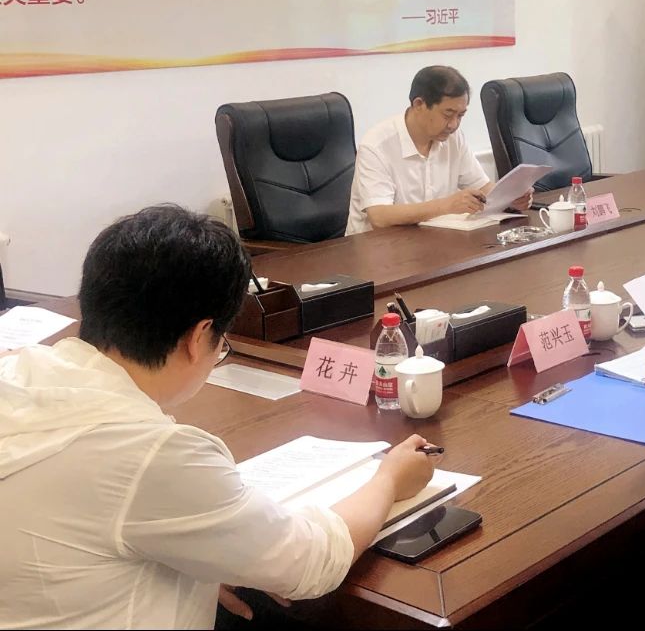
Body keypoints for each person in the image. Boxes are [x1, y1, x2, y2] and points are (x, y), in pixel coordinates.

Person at [0, 206, 437, 629]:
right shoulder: (151, 454)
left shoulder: (16, 373)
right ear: (199, 337)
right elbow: (313, 562)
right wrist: (389, 479)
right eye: (221, 343)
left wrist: (204, 558)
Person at [345, 65, 533, 234]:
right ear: (419, 105)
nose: (454, 125)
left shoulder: (453, 138)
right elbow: (379, 216)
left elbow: (482, 187)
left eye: (460, 116)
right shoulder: (376, 145)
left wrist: (510, 197)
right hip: (376, 249)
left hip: (431, 241)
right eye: (447, 114)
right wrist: (446, 205)